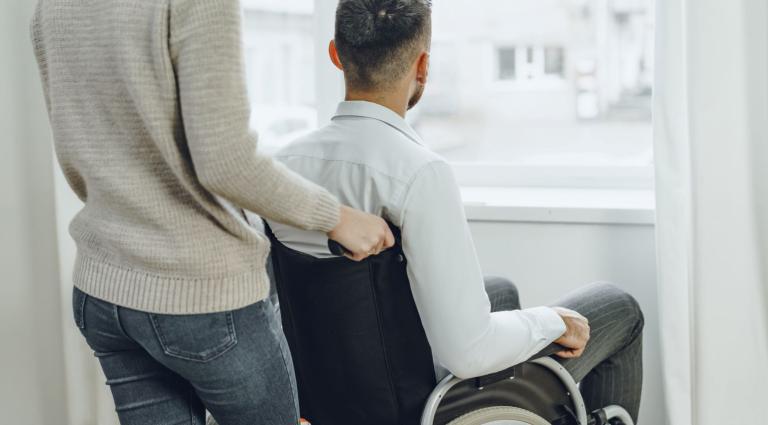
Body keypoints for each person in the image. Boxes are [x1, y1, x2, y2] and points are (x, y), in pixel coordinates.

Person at [267, 0, 645, 422]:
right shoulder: (418, 173)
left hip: (333, 397)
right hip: (425, 406)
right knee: (619, 307)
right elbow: (467, 352)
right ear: (423, 66)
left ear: (336, 53)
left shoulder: (281, 169)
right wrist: (553, 322)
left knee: (499, 289)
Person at [29, 0, 394, 423]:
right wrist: (339, 218)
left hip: (104, 291)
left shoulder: (51, 7)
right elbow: (228, 163)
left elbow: (80, 155)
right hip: (201, 297)